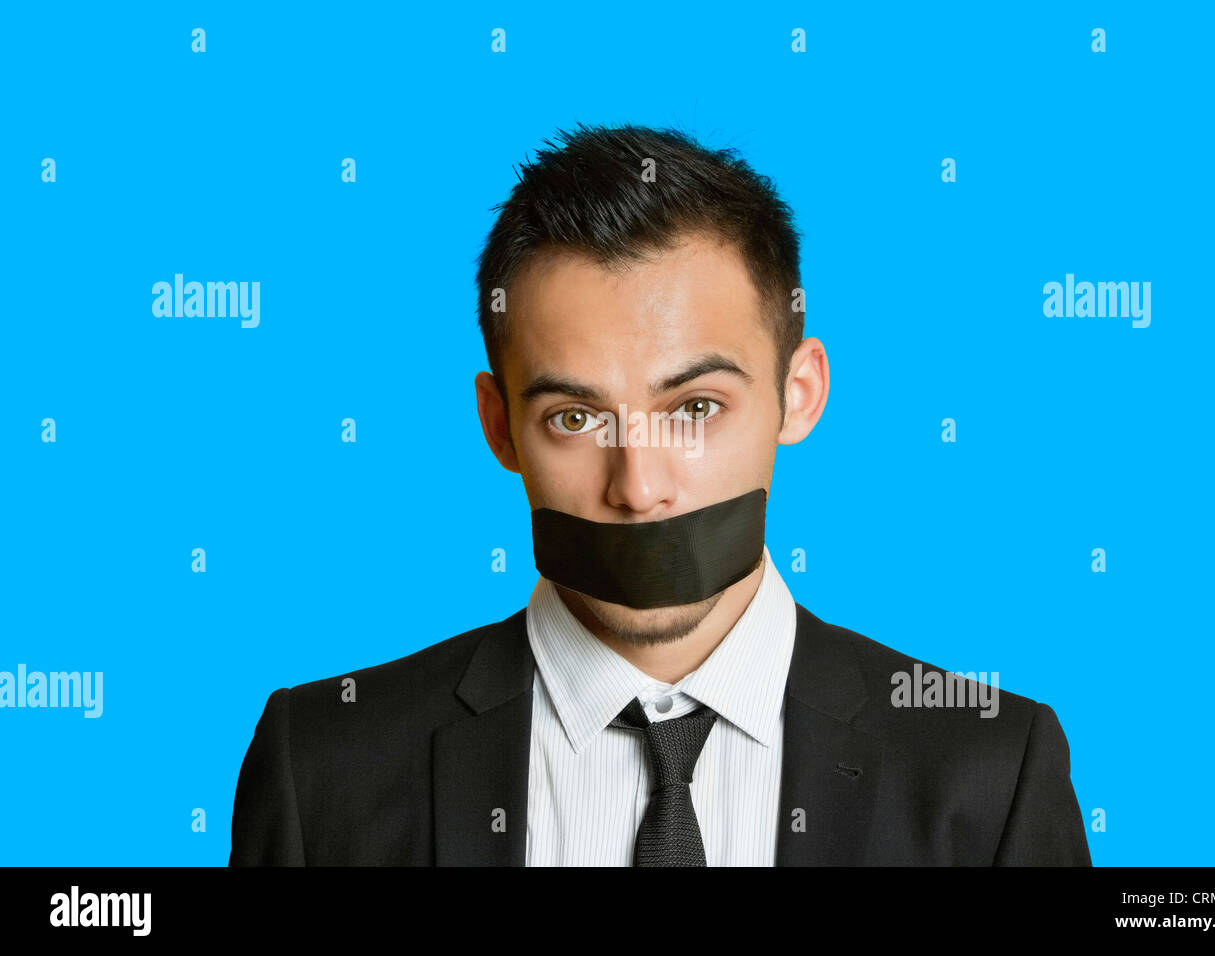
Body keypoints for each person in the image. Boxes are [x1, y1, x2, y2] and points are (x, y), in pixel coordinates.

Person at [229, 122, 1091, 866]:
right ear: (498, 425)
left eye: (696, 408)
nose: (638, 487)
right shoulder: (323, 769)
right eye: (574, 417)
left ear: (799, 394)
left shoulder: (991, 771)